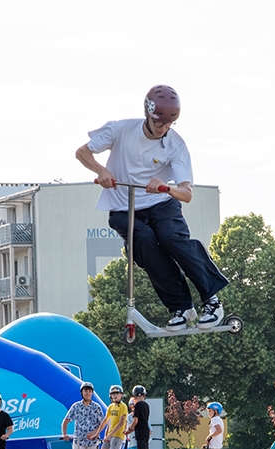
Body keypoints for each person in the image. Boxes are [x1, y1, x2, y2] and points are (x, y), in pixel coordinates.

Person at [75, 85, 229, 331]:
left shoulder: (176, 145)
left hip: (161, 204)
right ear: (148, 114)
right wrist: (101, 170)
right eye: (159, 123)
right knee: (144, 241)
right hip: (123, 207)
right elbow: (82, 152)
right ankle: (181, 307)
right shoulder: (121, 129)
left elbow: (186, 194)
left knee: (172, 239)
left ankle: (211, 300)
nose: (163, 129)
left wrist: (166, 188)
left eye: (168, 125)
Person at [61, 381, 105, 449]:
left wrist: (95, 432)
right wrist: (65, 434)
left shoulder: (96, 407)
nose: (87, 393)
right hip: (79, 439)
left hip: (91, 440)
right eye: (85, 390)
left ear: (92, 393)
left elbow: (103, 423)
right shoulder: (76, 406)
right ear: (82, 392)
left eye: (89, 391)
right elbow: (66, 421)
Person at [90, 384, 129, 449]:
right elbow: (105, 422)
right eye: (113, 394)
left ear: (121, 395)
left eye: (117, 394)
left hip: (118, 435)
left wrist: (109, 435)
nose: (115, 396)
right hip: (109, 435)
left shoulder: (123, 407)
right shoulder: (110, 407)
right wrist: (97, 433)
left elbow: (121, 423)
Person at [125, 385, 153, 449]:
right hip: (143, 433)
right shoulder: (146, 405)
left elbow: (135, 421)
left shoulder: (138, 406)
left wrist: (128, 430)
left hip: (141, 433)